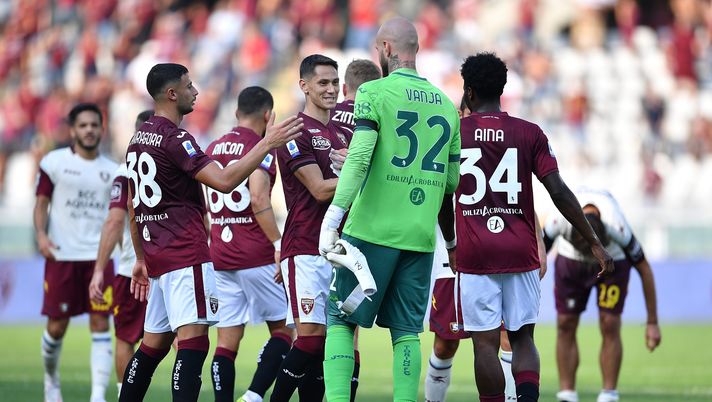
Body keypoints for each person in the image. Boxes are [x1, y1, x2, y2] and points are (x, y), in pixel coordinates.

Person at [117, 63, 302, 402]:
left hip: (158, 256)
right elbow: (226, 181)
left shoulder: (137, 139)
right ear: (172, 94)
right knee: (193, 344)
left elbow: (133, 207)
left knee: (151, 347)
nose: (196, 91)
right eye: (189, 86)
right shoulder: (177, 139)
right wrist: (267, 143)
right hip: (186, 254)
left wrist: (141, 258)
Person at [439, 52, 614, 402]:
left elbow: (445, 195)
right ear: (502, 89)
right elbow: (559, 191)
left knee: (485, 343)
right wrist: (593, 241)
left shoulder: (453, 133)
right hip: (520, 248)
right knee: (522, 338)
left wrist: (452, 244)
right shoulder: (529, 132)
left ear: (469, 92)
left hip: (475, 250)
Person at [318, 17, 461, 402]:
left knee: (341, 319)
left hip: (369, 232)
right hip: (418, 237)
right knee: (407, 332)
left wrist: (333, 217)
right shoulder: (448, 106)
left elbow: (360, 157)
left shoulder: (373, 93)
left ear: (385, 49)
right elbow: (451, 183)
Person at [424, 99, 547, 402]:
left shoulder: (497, 142)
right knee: (446, 342)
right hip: (450, 257)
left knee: (505, 336)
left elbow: (520, 199)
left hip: (491, 253)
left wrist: (540, 240)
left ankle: (509, 398)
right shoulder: (447, 143)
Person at [203, 86, 294, 402]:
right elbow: (258, 198)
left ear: (236, 112)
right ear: (269, 115)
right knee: (287, 332)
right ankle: (254, 395)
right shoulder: (260, 146)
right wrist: (278, 242)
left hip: (221, 255)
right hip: (256, 254)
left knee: (226, 341)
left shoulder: (212, 147)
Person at [270, 54, 347, 402]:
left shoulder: (345, 132)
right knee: (312, 337)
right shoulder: (293, 131)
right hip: (305, 249)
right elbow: (318, 190)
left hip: (340, 251)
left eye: (335, 82)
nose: (331, 90)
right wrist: (356, 174)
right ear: (304, 86)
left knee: (330, 346)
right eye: (323, 83)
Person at [543, 188, 662, 402]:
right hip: (571, 263)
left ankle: (609, 394)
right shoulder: (557, 219)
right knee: (565, 323)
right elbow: (537, 256)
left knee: (610, 323)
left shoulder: (617, 226)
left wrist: (652, 322)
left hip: (613, 262)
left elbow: (644, 268)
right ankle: (567, 394)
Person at [34, 102, 118, 402]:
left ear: (102, 129)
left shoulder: (113, 171)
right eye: (83, 125)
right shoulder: (53, 163)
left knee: (100, 322)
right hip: (62, 257)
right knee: (56, 327)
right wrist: (41, 235)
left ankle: (98, 396)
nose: (90, 130)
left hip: (99, 260)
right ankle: (51, 380)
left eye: (94, 125)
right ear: (72, 130)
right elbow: (41, 203)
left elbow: (117, 216)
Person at [88, 109, 154, 398]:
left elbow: (115, 219)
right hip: (173, 265)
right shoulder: (175, 157)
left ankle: (123, 395)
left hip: (131, 270)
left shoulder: (126, 169)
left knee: (127, 338)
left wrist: (99, 270)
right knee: (183, 338)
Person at [328, 58, 382, 401]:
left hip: (320, 231)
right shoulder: (380, 118)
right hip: (361, 233)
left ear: (344, 87)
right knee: (350, 325)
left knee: (320, 328)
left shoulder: (325, 119)